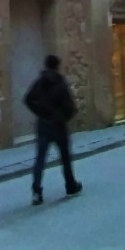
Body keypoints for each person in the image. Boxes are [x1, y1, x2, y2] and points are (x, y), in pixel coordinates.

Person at [23, 54, 82, 206]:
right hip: (58, 125)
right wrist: (64, 116)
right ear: (57, 66)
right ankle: (70, 186)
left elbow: (28, 99)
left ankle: (36, 191)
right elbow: (69, 106)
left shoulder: (40, 82)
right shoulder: (60, 82)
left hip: (43, 125)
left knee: (40, 159)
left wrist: (40, 113)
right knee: (65, 157)